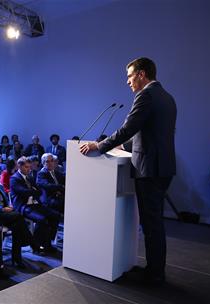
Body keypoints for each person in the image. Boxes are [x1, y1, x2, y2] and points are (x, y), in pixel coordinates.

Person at [80, 57, 177, 285]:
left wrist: (100, 145)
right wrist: (120, 146)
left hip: (149, 168)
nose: (128, 82)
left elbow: (128, 128)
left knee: (151, 224)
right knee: (155, 223)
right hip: (163, 167)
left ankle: (154, 274)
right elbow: (148, 134)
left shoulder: (146, 95)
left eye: (130, 76)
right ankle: (155, 269)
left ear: (142, 74)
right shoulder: (168, 98)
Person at [0, 165, 38, 268]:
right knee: (19, 216)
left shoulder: (0, 186)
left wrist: (8, 207)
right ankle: (31, 243)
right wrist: (1, 209)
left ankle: (17, 258)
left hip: (6, 215)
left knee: (17, 226)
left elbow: (5, 202)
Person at [10, 157, 61, 253]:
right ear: (19, 166)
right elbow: (24, 192)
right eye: (26, 167)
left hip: (35, 204)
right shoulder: (14, 178)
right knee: (42, 219)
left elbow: (39, 190)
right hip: (23, 206)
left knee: (55, 215)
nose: (29, 169)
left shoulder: (29, 177)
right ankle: (36, 245)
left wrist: (33, 191)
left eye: (29, 167)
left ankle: (47, 242)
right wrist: (33, 191)